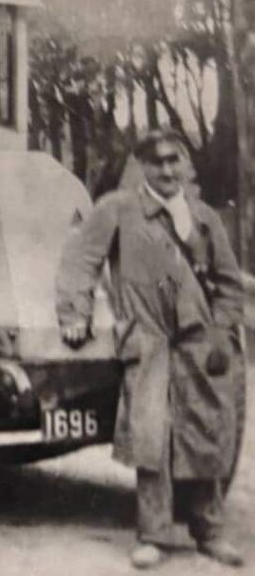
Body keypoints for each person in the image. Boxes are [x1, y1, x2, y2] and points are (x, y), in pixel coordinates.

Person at [56, 130, 245, 570]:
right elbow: (81, 263)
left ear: (185, 165)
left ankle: (209, 531)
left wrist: (220, 331)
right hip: (148, 341)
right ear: (142, 165)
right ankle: (153, 535)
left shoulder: (202, 219)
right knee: (152, 437)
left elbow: (230, 283)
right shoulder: (117, 209)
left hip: (199, 345)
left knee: (206, 432)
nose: (166, 170)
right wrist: (74, 313)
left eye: (174, 160)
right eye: (157, 161)